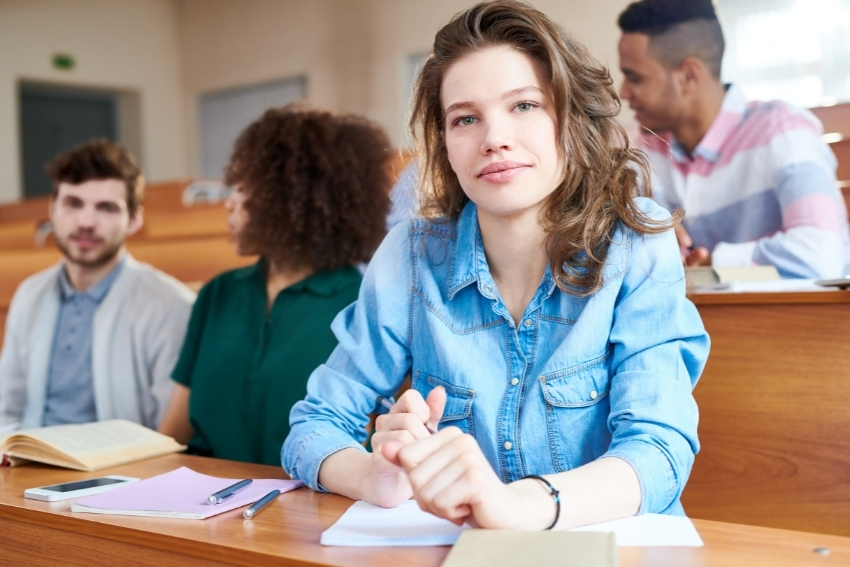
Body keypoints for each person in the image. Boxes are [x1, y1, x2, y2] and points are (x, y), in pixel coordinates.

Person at [283, 0, 709, 531]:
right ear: (445, 144)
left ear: (569, 116)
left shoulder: (635, 240)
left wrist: (519, 506)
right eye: (465, 118)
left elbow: (659, 450)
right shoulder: (411, 255)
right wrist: (377, 476)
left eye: (525, 106)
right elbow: (312, 426)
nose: (495, 138)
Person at [157, 105, 391, 466]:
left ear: (292, 196)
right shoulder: (217, 294)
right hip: (199, 501)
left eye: (243, 187)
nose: (229, 202)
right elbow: (175, 431)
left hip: (304, 505)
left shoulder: (361, 304)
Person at [617, 0, 849, 279]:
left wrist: (715, 265)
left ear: (688, 76)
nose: (624, 92)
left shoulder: (782, 131)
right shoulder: (642, 148)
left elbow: (820, 260)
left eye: (635, 78)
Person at [0, 139, 195, 430]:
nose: (86, 221)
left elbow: (170, 435)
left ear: (134, 219)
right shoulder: (30, 293)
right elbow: (7, 409)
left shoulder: (172, 305)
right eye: (73, 203)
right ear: (53, 208)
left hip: (125, 472)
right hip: (24, 467)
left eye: (106, 208)